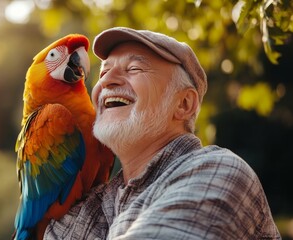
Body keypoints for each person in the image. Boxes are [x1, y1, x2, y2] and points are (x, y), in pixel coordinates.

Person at [44, 27, 281, 239]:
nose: (107, 82)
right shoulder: (82, 209)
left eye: (134, 68)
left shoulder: (220, 171)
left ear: (184, 104)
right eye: (103, 73)